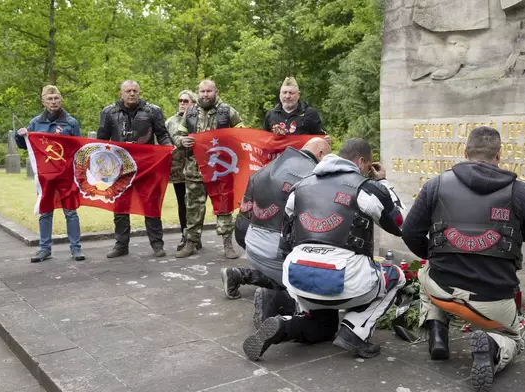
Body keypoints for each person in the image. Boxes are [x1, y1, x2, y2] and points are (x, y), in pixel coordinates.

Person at [401, 126, 525, 392]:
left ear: (465, 152)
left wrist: (434, 255)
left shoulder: (435, 185)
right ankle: (493, 347)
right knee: (514, 337)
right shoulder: (520, 191)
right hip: (493, 301)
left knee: (426, 270)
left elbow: (410, 232)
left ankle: (437, 331)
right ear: (499, 155)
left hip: (441, 290)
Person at [242, 138, 407, 361]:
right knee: (396, 276)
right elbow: (400, 224)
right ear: (361, 162)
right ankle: (354, 331)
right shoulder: (366, 188)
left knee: (323, 326)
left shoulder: (299, 187)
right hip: (344, 279)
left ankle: (283, 325)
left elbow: (285, 240)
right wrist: (384, 183)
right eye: (368, 166)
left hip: (298, 278)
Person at [221, 137, 332, 328]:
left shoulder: (264, 170)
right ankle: (274, 299)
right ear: (320, 154)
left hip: (251, 245)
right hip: (278, 253)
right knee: (320, 282)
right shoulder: (312, 177)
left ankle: (241, 274)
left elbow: (242, 221)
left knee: (282, 264)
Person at [97, 80, 172, 258]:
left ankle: (157, 244)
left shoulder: (153, 111)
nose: (132, 94)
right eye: (128, 91)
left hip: (147, 167)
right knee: (121, 207)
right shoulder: (109, 112)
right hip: (120, 167)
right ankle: (121, 245)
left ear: (139, 92)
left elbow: (162, 134)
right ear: (121, 93)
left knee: (151, 204)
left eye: (135, 91)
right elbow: (101, 140)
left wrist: (169, 147)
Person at [171, 79, 245, 259]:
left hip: (220, 171)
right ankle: (191, 243)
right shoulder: (190, 113)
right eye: (202, 91)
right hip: (194, 170)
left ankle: (228, 244)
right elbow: (178, 134)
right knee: (193, 208)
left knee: (224, 207)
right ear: (198, 93)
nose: (205, 94)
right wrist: (182, 141)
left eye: (209, 91)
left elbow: (242, 132)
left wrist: (232, 139)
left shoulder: (227, 111)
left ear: (216, 91)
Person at [15, 85, 85, 263]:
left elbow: (79, 148)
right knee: (45, 212)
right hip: (45, 177)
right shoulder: (36, 123)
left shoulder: (70, 123)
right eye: (50, 99)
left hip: (66, 175)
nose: (53, 102)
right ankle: (44, 249)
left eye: (56, 98)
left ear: (60, 99)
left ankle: (76, 249)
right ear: (43, 101)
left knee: (71, 212)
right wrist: (20, 136)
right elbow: (26, 145)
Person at [166, 90, 197, 251]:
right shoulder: (170, 121)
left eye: (186, 100)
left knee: (195, 204)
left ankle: (195, 237)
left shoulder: (199, 119)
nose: (183, 103)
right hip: (177, 170)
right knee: (182, 204)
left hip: (196, 168)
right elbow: (163, 143)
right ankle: (184, 235)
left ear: (193, 103)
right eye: (180, 100)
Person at [263, 77, 328, 141]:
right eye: (284, 92)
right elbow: (264, 140)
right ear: (280, 94)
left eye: (291, 93)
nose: (287, 96)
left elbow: (320, 139)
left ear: (298, 95)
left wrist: (325, 139)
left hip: (301, 151)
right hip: (277, 151)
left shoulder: (310, 113)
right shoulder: (271, 115)